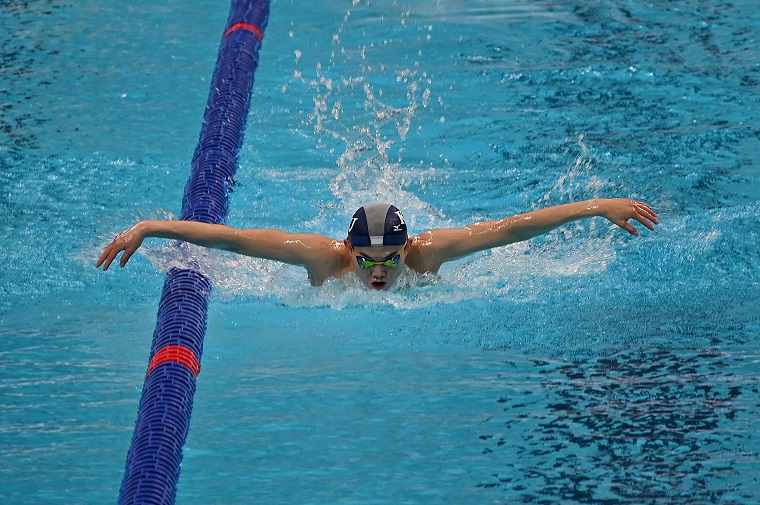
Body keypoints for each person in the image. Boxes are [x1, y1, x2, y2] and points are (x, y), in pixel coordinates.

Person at [97, 198, 658, 291]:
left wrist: (595, 207)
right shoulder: (323, 256)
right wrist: (152, 227)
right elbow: (237, 240)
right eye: (367, 259)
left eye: (388, 258)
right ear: (349, 249)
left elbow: (514, 228)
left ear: (406, 245)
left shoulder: (428, 252)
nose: (379, 272)